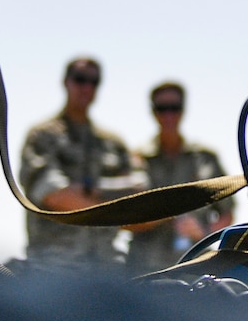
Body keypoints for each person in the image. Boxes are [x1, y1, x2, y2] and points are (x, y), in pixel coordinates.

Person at [17, 57, 149, 270]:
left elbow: (141, 200)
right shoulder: (43, 137)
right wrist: (115, 203)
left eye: (94, 82)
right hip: (52, 271)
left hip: (106, 272)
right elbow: (55, 196)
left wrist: (88, 190)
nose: (86, 87)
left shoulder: (113, 144)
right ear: (66, 82)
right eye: (80, 79)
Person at [126, 82, 233, 276]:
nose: (168, 116)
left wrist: (203, 233)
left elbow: (227, 213)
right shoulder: (137, 159)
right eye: (162, 108)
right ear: (153, 111)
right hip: (145, 272)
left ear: (183, 110)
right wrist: (166, 212)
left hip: (195, 269)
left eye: (174, 108)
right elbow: (123, 219)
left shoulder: (205, 158)